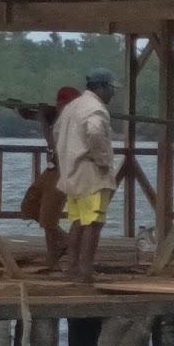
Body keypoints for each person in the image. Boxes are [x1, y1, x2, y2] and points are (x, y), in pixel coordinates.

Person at [49, 73, 123, 268]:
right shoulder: (96, 108)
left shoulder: (72, 106)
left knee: (78, 222)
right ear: (101, 88)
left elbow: (56, 131)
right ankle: (86, 270)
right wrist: (102, 160)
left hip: (72, 173)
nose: (112, 94)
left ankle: (72, 267)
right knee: (93, 224)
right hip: (91, 173)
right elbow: (95, 131)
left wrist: (67, 155)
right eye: (111, 90)